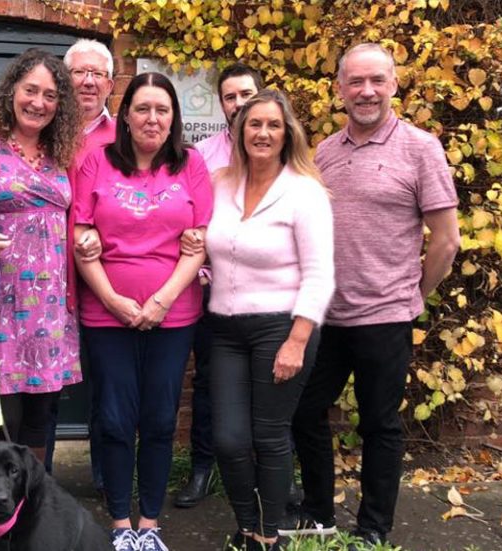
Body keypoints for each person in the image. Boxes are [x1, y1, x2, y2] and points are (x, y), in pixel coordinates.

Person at [288, 43, 460, 548]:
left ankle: (372, 528)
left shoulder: (420, 148)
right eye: (355, 82)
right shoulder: (323, 152)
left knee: (380, 425)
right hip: (326, 316)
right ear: (339, 89)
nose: (366, 91)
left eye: (377, 81)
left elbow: (446, 240)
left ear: (394, 84)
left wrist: (414, 294)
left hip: (386, 316)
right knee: (304, 411)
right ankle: (319, 513)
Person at [73, 72, 213, 551]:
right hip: (105, 315)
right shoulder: (96, 163)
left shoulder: (190, 165)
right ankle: (119, 523)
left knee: (158, 418)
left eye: (163, 110)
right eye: (142, 108)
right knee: (113, 418)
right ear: (126, 116)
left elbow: (199, 243)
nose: (152, 118)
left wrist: (161, 300)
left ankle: (149, 524)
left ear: (174, 118)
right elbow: (81, 236)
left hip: (173, 317)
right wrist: (112, 298)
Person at [201, 89, 334, 550]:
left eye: (272, 125)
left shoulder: (304, 191)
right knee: (229, 438)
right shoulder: (219, 183)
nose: (262, 133)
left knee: (270, 434)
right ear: (238, 131)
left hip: (281, 326)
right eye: (253, 124)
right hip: (225, 329)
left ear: (287, 133)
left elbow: (320, 273)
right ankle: (245, 526)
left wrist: (297, 340)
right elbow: (204, 247)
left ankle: (269, 533)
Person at [0, 48, 97, 462]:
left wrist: (90, 239)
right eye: (30, 90)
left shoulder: (64, 153)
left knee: (40, 419)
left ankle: (35, 509)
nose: (39, 102)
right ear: (11, 91)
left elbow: (80, 217)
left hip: (51, 309)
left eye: (51, 95)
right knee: (0, 418)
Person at [174, 62, 263, 510]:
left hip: (269, 291)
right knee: (209, 381)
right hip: (215, 289)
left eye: (246, 93)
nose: (238, 103)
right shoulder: (202, 156)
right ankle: (203, 468)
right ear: (221, 103)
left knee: (267, 382)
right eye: (230, 96)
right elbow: (191, 221)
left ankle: (267, 474)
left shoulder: (282, 149)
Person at [43, 38, 117, 481]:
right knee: (45, 392)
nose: (88, 82)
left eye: (97, 74)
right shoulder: (42, 129)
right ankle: (38, 484)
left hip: (108, 282)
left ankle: (109, 485)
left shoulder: (123, 134)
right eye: (79, 73)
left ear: (110, 83)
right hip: (49, 284)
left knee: (107, 388)